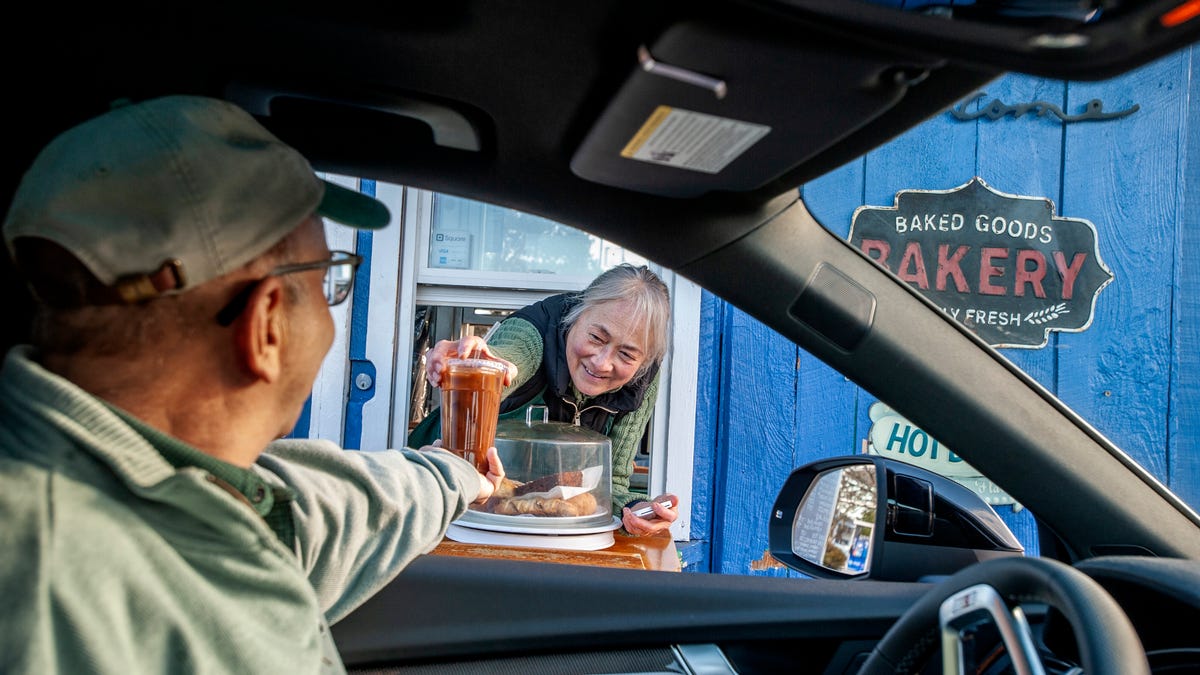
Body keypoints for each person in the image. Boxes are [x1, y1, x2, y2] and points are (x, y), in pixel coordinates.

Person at [0, 95, 509, 674]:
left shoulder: (175, 484)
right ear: (265, 324)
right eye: (328, 283)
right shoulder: (47, 595)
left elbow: (333, 509)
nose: (326, 319)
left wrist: (450, 470)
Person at [417, 263, 679, 536]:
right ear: (575, 315)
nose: (602, 364)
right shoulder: (533, 331)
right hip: (450, 508)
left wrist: (635, 510)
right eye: (596, 337)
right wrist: (483, 364)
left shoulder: (640, 380)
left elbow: (614, 484)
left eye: (626, 355)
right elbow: (508, 356)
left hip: (551, 534)